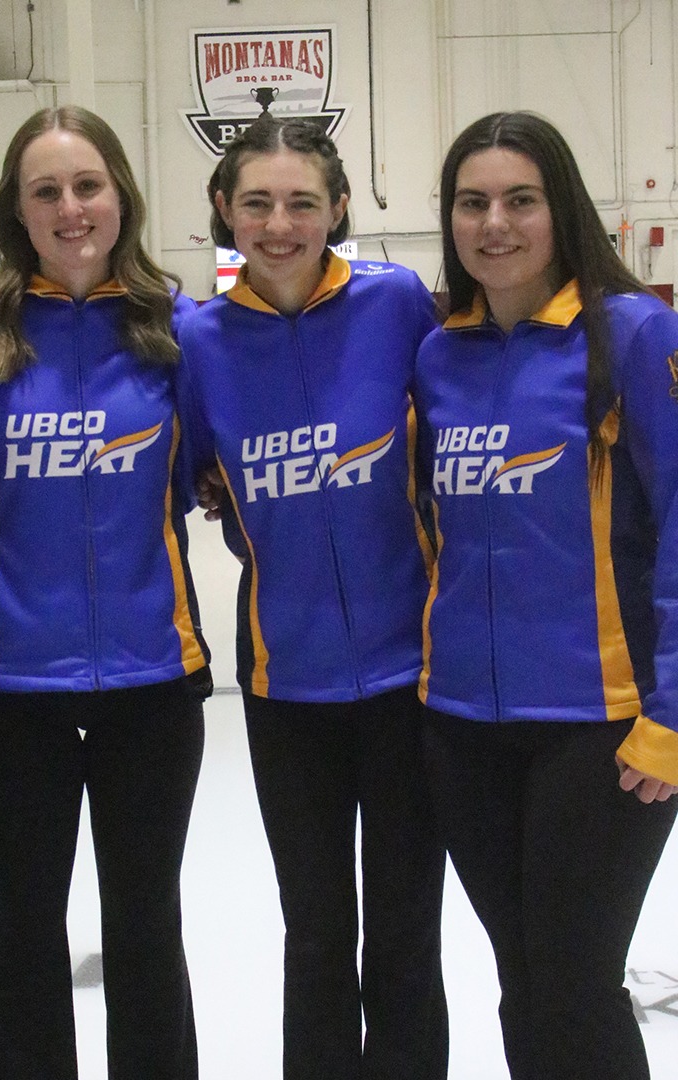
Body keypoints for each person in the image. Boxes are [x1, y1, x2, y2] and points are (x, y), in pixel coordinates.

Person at [0, 104, 207, 1080]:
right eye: (46, 190)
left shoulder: (177, 327)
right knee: (27, 926)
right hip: (10, 688)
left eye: (87, 185)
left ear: (120, 193)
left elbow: (216, 474)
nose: (71, 207)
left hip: (153, 685)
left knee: (145, 923)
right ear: (17, 210)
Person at [176, 116, 447, 1079]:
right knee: (317, 935)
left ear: (338, 207)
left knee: (408, 934)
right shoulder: (199, 342)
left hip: (413, 675)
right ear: (224, 212)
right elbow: (200, 467)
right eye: (256, 203)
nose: (279, 223)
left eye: (301, 202)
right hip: (285, 683)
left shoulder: (398, 303)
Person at [415, 109, 678, 1080]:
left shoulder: (637, 337)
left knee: (574, 980)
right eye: (473, 202)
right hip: (463, 730)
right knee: (522, 978)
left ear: (561, 208)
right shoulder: (441, 354)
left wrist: (674, 714)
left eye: (520, 200)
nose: (496, 224)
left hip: (599, 725)